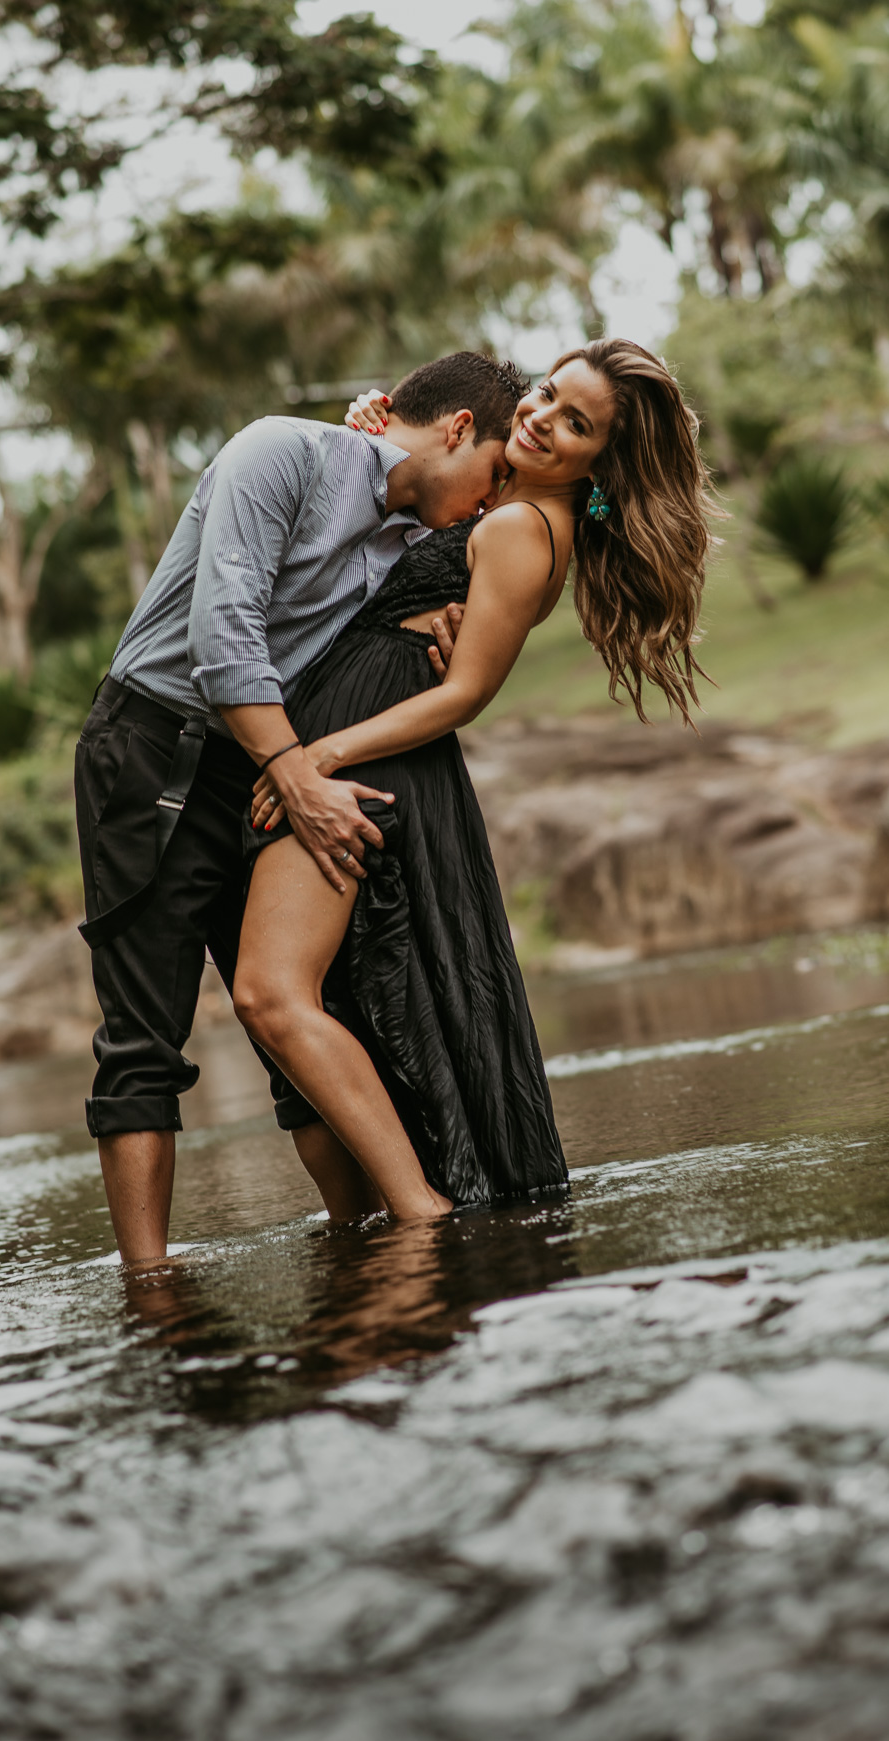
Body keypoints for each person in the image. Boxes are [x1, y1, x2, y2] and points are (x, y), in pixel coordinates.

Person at [232, 339, 715, 1226]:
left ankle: (420, 1219)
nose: (538, 419)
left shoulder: (524, 530)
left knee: (274, 992)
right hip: (358, 749)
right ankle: (379, 1232)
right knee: (350, 1003)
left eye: (576, 424)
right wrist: (374, 440)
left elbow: (465, 693)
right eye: (544, 394)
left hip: (365, 764)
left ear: (602, 461)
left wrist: (316, 759)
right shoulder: (502, 510)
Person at [74, 353, 524, 1264]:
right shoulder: (280, 453)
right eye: (494, 475)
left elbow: (586, 509)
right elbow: (221, 634)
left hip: (271, 766)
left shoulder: (417, 545)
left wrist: (432, 624)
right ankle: (151, 1293)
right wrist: (296, 775)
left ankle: (359, 1250)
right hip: (157, 750)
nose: (493, 502)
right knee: (143, 1035)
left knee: (295, 1009)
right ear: (459, 429)